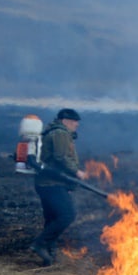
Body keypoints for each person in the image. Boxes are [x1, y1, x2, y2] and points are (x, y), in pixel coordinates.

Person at [30, 108, 88, 266]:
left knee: (52, 218)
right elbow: (61, 157)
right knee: (67, 215)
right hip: (52, 184)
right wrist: (76, 172)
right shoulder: (60, 133)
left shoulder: (59, 133)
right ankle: (40, 244)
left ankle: (48, 256)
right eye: (75, 121)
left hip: (47, 183)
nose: (77, 125)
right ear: (65, 120)